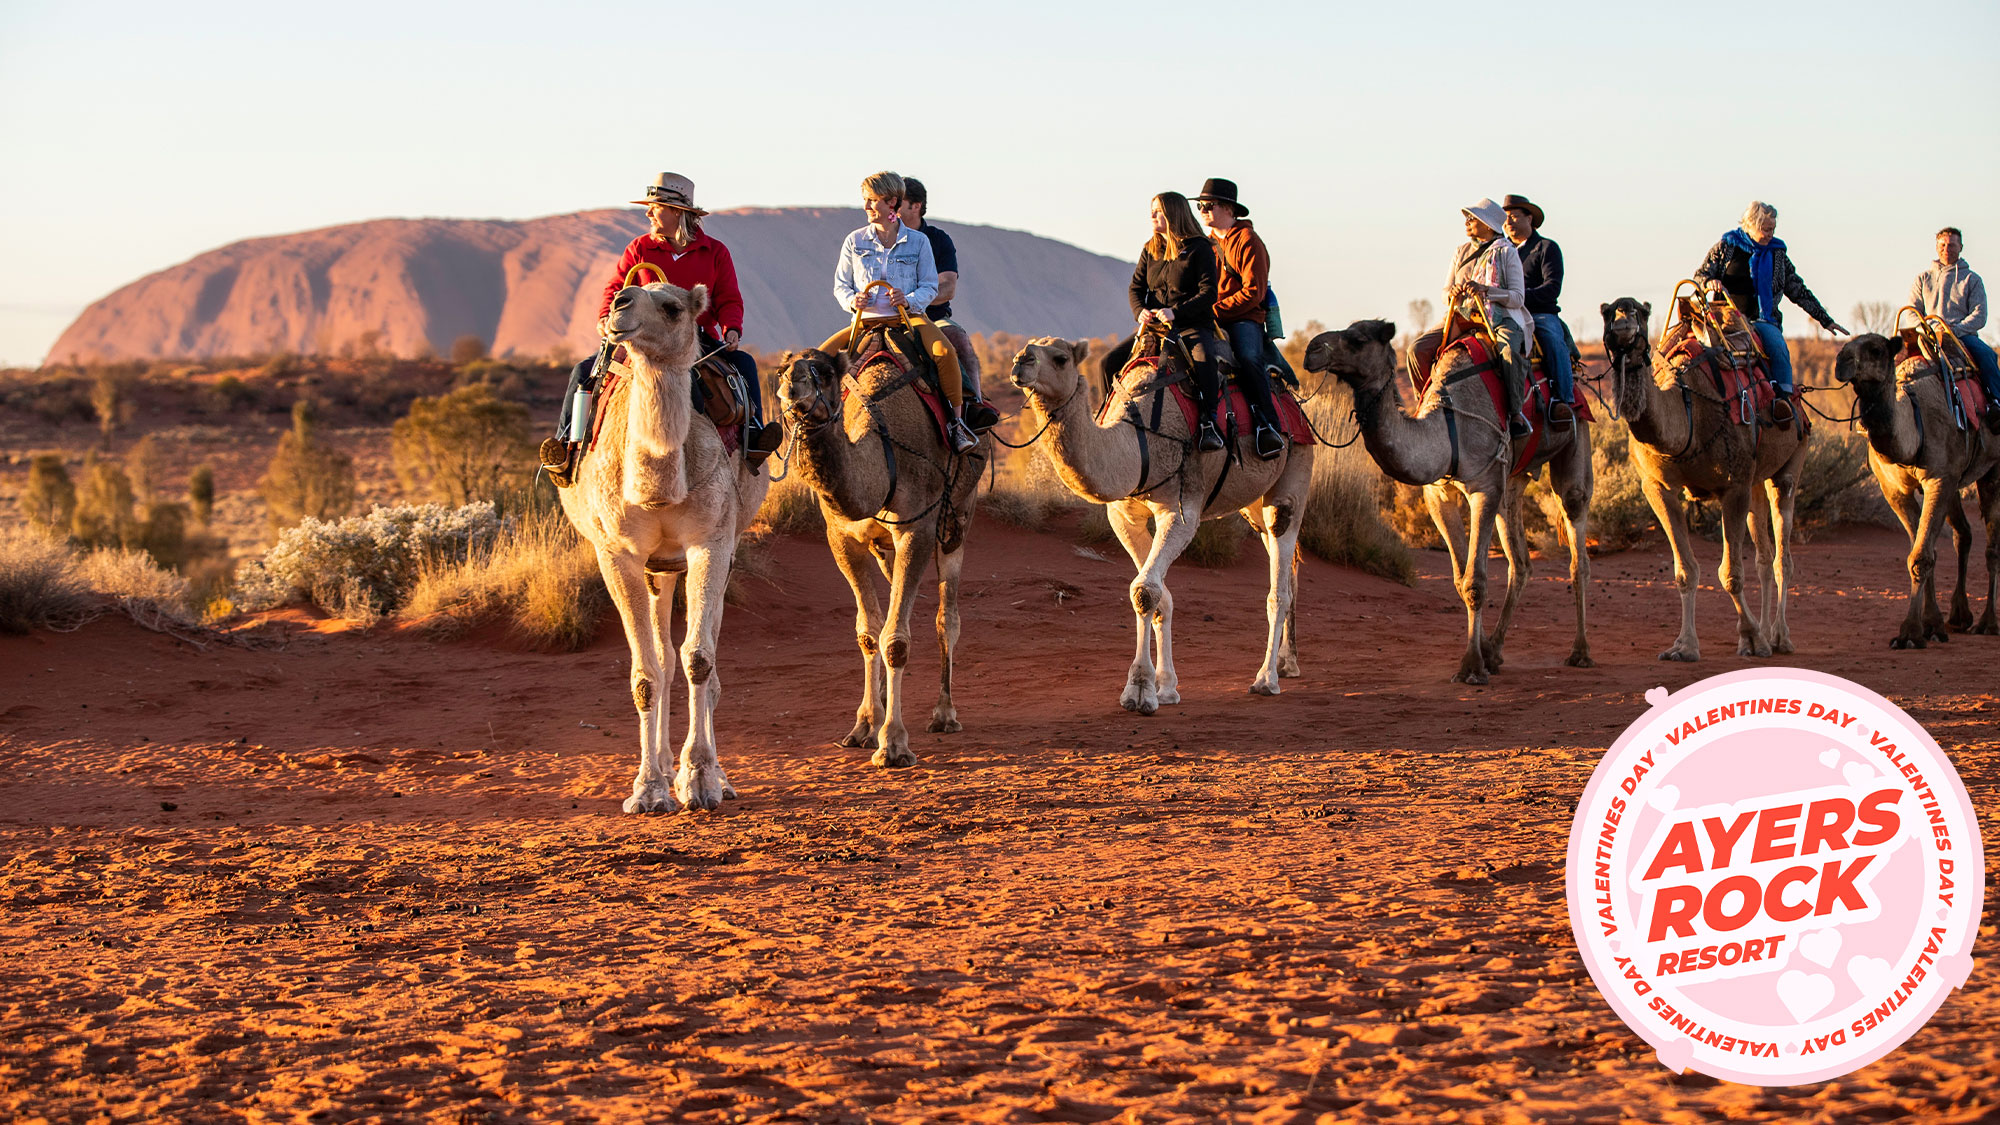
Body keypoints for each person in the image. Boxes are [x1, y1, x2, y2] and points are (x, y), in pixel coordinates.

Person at [540, 173, 781, 486]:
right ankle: (567, 448)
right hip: (640, 339)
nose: (648, 213)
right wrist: (605, 315)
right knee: (583, 373)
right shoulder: (639, 248)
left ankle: (752, 439)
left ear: (677, 213)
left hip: (692, 339)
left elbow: (728, 297)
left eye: (656, 207)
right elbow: (616, 288)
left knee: (745, 365)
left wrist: (731, 328)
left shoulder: (715, 252)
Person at [821, 171, 977, 453]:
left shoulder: (919, 242)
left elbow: (930, 285)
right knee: (817, 362)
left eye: (872, 201)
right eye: (865, 200)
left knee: (945, 352)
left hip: (909, 320)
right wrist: (852, 300)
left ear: (891, 202)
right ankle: (818, 429)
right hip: (865, 323)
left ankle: (956, 424)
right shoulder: (854, 241)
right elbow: (840, 285)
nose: (866, 207)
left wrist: (909, 299)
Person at [1692, 200, 1847, 428]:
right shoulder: (1726, 247)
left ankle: (1783, 403)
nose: (1769, 234)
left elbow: (1798, 289)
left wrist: (1826, 320)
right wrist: (1709, 283)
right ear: (1749, 225)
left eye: (1772, 229)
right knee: (1694, 349)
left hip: (1761, 321)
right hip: (1726, 321)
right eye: (1765, 229)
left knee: (1778, 347)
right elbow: (1700, 276)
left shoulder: (1778, 255)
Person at [1408, 199, 1534, 438]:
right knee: (1416, 351)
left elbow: (1518, 298)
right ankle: (1425, 405)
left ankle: (1516, 413)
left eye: (1472, 218)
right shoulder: (1461, 251)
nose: (1467, 222)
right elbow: (1445, 293)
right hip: (1461, 315)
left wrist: (1486, 291)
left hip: (1500, 317)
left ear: (1488, 224)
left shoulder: (1507, 252)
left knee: (1508, 353)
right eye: (1468, 217)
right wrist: (1452, 293)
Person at [897, 177, 1000, 433]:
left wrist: (912, 301)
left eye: (898, 202)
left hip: (932, 319)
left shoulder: (938, 241)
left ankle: (973, 406)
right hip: (885, 317)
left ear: (916, 206)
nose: (892, 208)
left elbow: (947, 287)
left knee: (958, 338)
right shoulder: (881, 239)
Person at [1193, 177, 1285, 460]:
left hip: (1244, 318)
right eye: (1201, 207)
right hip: (1212, 318)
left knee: (1247, 358)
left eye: (1210, 205)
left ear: (1229, 209)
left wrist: (1213, 311)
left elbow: (1254, 293)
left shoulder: (1249, 242)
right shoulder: (1203, 245)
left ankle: (1268, 426)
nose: (1204, 211)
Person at [1128, 191, 1226, 452]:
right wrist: (1140, 311)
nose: (1151, 216)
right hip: (1155, 327)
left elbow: (1208, 293)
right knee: (1109, 364)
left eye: (1158, 211)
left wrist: (1176, 312)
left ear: (1173, 214)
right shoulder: (1150, 249)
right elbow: (1136, 288)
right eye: (1151, 210)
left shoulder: (1199, 248)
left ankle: (1209, 424)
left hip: (1192, 324)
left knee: (1204, 360)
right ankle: (1108, 424)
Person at [1501, 193, 1583, 425]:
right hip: (1506, 314)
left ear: (1530, 218)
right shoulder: (1502, 252)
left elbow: (1552, 288)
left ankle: (1562, 399)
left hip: (1539, 313)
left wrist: (1519, 298)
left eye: (1514, 216)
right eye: (1506, 218)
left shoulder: (1546, 248)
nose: (1508, 222)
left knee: (1552, 338)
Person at [1908, 226, 2000, 432]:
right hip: (1928, 335)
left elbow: (1979, 315)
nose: (1946, 249)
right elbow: (1912, 311)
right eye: (1942, 245)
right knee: (1890, 358)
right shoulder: (1923, 279)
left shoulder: (1972, 279)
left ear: (1961, 247)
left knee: (1988, 356)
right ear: (1936, 247)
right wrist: (1925, 329)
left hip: (1961, 336)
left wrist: (1955, 330)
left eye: (1951, 245)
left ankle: (1996, 401)